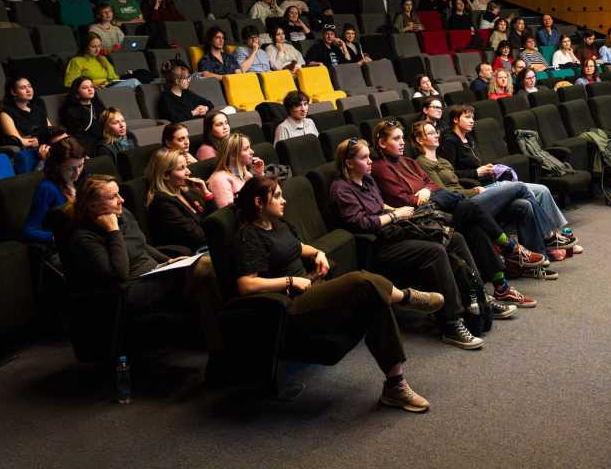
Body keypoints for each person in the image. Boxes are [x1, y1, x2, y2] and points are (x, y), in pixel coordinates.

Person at [231, 176, 436, 412]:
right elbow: (246, 284)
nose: (284, 200)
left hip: (312, 289)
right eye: (277, 196)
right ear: (259, 202)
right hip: (291, 307)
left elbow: (298, 247)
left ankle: (395, 385)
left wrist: (317, 252)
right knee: (361, 280)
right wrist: (290, 280)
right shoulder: (249, 236)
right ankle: (406, 297)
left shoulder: (279, 224)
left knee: (374, 301)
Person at [329, 138, 486, 349]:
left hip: (396, 232)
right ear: (348, 163)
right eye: (364, 158)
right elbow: (362, 223)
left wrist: (397, 211)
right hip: (379, 245)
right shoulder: (341, 188)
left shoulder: (367, 180)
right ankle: (451, 323)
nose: (370, 162)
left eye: (369, 156)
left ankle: (480, 296)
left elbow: (379, 205)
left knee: (454, 238)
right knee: (436, 251)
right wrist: (395, 216)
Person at [372, 120, 542, 307]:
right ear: (381, 143)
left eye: (402, 138)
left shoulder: (408, 162)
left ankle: (501, 287)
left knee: (475, 227)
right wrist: (430, 193)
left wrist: (428, 192)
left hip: (438, 210)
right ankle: (509, 248)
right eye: (396, 139)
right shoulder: (380, 169)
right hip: (422, 219)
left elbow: (432, 184)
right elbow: (406, 200)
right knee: (470, 208)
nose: (402, 142)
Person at [62, 175, 220, 354]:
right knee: (206, 269)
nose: (121, 200)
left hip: (156, 274)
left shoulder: (123, 214)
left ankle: (216, 343)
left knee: (208, 274)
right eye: (113, 197)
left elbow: (141, 244)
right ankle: (218, 345)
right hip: (130, 290)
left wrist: (168, 261)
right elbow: (119, 273)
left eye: (119, 194)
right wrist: (113, 231)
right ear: (92, 205)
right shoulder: (84, 238)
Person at [439, 104, 579, 258]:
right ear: (455, 120)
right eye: (467, 117)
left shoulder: (468, 138)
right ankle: (550, 237)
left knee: (543, 190)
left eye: (472, 117)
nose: (472, 121)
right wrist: (476, 172)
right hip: (480, 188)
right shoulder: (450, 141)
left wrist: (489, 168)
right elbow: (450, 175)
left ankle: (555, 237)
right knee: (524, 194)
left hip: (489, 181)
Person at [145, 148, 214, 250]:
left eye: (186, 166)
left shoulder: (186, 191)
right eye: (182, 168)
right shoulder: (161, 203)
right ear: (165, 175)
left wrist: (206, 195)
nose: (189, 172)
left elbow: (213, 219)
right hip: (192, 252)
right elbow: (197, 236)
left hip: (208, 244)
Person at [22, 138, 85, 245]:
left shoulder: (83, 179)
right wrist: (58, 237)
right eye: (70, 169)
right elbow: (28, 231)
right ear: (58, 167)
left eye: (80, 166)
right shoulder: (47, 188)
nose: (77, 173)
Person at [0, 77, 55, 153]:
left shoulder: (38, 109)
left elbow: (51, 130)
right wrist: (42, 141)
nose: (28, 90)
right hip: (32, 150)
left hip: (47, 145)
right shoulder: (5, 114)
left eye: (29, 86)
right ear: (13, 92)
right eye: (23, 88)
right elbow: (18, 141)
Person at [207, 133, 264, 208]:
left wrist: (260, 174)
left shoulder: (246, 176)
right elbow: (228, 213)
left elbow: (265, 197)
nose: (252, 152)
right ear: (233, 154)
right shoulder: (220, 179)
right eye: (246, 149)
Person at [63, 34, 137, 89]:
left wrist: (124, 74)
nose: (97, 50)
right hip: (94, 90)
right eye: (93, 47)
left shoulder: (102, 58)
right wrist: (91, 86)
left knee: (135, 79)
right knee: (134, 82)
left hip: (108, 86)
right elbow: (70, 83)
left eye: (99, 46)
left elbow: (113, 78)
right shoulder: (76, 61)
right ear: (85, 47)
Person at [60, 76, 105, 150]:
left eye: (92, 87)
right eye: (85, 88)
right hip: (87, 144)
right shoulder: (71, 111)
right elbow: (77, 135)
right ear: (77, 93)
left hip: (105, 139)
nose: (90, 89)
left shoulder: (98, 105)